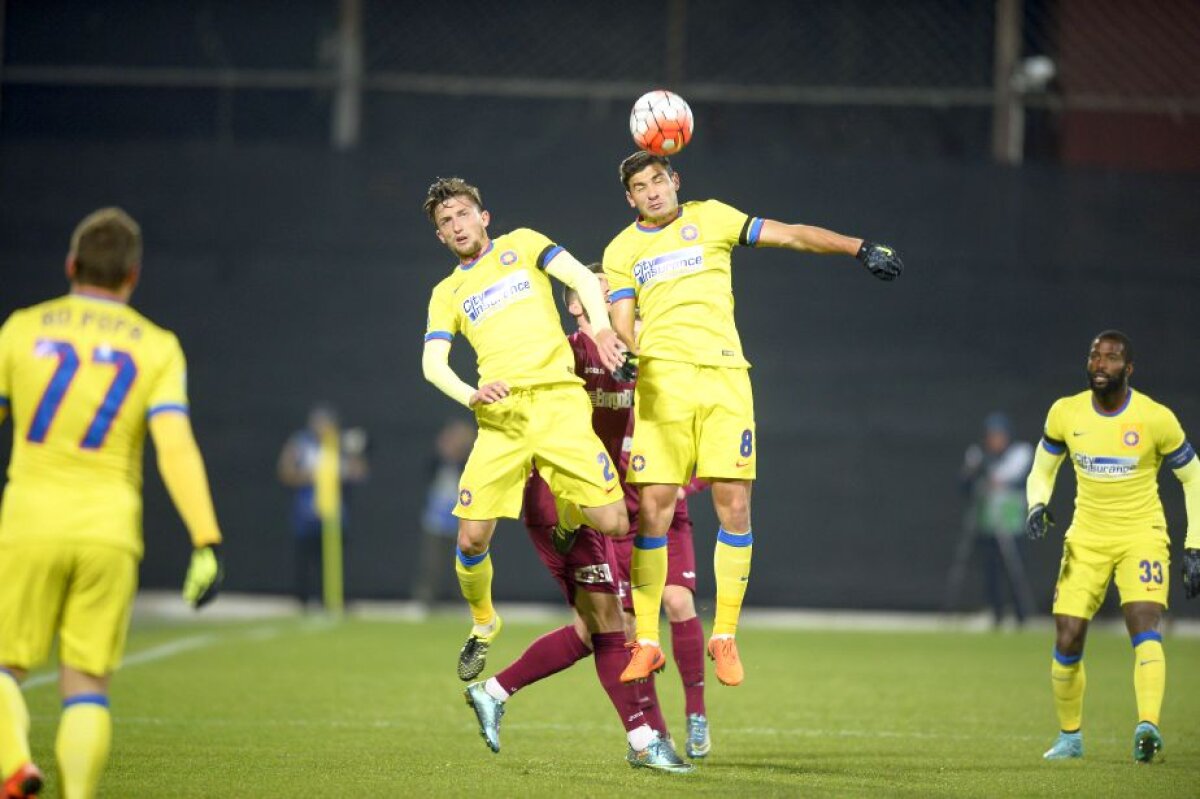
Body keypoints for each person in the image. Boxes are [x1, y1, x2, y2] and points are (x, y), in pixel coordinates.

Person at [602, 152, 904, 687]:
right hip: (663, 385)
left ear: (676, 182)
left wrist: (859, 247)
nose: (651, 192)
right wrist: (628, 347)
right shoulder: (622, 249)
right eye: (639, 186)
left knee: (734, 502)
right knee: (654, 509)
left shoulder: (714, 217)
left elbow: (790, 234)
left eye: (658, 180)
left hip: (723, 378)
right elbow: (623, 318)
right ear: (629, 198)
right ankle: (647, 641)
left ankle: (725, 635)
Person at [0, 208, 225, 799]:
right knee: (86, 685)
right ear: (134, 275)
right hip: (109, 529)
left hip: (28, 519)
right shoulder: (156, 346)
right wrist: (205, 539)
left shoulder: (22, 329)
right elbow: (175, 449)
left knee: (4, 667)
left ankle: (15, 763)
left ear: (71, 265)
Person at [420, 177, 630, 682]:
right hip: (502, 419)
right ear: (441, 237)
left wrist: (601, 328)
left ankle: (568, 512)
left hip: (559, 404)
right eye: (446, 222)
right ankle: (484, 622)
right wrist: (471, 394)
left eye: (463, 214)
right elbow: (432, 362)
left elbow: (581, 276)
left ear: (483, 217)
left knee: (616, 522)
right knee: (470, 539)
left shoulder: (524, 244)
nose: (456, 225)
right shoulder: (447, 292)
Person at [1026, 330, 1199, 764]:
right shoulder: (1066, 413)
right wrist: (1036, 504)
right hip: (1086, 537)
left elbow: (1194, 477)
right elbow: (1042, 468)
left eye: (1112, 358)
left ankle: (1148, 726)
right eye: (1095, 356)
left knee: (1144, 623)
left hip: (1141, 535)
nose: (1101, 364)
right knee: (1067, 637)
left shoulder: (1155, 418)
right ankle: (1070, 737)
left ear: (1129, 368)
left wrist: (1195, 544)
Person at [463, 468, 691, 772]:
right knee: (610, 624)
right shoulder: (569, 426)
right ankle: (643, 741)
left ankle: (493, 691)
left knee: (593, 629)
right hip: (567, 506)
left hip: (588, 503)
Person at [277, 403, 368, 610]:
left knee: (333, 560)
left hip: (334, 513)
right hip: (307, 513)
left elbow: (359, 473)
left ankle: (334, 599)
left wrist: (354, 454)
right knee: (306, 559)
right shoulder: (300, 443)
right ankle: (304, 600)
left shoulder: (339, 445)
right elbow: (285, 471)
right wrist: (312, 476)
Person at [956, 412, 1036, 626]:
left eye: (998, 435)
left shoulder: (1020, 453)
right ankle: (996, 614)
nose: (994, 440)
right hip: (988, 521)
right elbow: (965, 486)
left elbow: (1012, 478)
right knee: (990, 569)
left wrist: (992, 477)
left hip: (1012, 522)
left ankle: (1021, 616)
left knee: (1015, 568)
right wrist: (972, 469)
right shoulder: (979, 456)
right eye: (991, 436)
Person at [413, 417, 475, 609]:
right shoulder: (437, 462)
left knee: (465, 564)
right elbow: (427, 472)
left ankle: (466, 601)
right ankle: (425, 600)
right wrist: (444, 454)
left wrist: (458, 456)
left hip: (461, 521)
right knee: (432, 562)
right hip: (436, 520)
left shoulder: (467, 463)